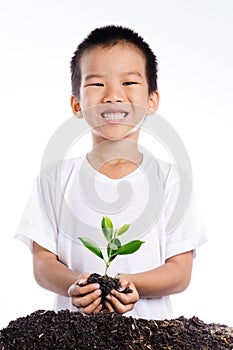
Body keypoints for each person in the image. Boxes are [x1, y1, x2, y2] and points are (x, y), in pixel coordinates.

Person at [15, 25, 207, 320]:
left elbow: (180, 272)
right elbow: (42, 262)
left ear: (152, 100)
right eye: (96, 84)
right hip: (74, 336)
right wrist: (75, 285)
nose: (113, 95)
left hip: (150, 335)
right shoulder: (54, 178)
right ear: (77, 104)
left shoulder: (172, 181)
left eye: (129, 82)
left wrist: (131, 285)